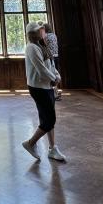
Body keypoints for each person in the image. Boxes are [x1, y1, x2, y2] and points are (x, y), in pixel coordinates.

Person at [21, 22, 66, 163]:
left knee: (47, 117)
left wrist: (57, 76)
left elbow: (50, 65)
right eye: (37, 31)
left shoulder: (42, 46)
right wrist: (54, 79)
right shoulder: (31, 47)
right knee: (50, 119)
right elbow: (41, 69)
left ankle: (52, 148)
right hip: (38, 87)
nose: (41, 32)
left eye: (41, 30)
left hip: (46, 86)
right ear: (31, 34)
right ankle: (30, 143)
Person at [42, 22, 62, 100]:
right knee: (54, 74)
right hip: (56, 56)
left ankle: (54, 94)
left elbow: (43, 46)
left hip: (50, 58)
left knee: (51, 75)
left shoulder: (46, 36)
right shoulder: (54, 35)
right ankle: (55, 93)